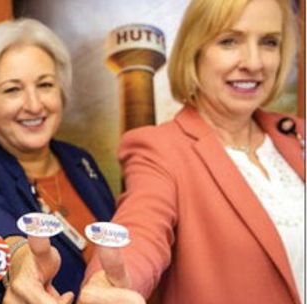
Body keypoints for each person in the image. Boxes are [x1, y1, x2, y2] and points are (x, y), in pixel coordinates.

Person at [79, 0, 304, 303]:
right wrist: (114, 282)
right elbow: (141, 228)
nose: (254, 62)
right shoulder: (159, 150)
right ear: (194, 50)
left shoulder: (296, 132)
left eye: (269, 42)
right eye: (229, 41)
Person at [0, 18, 116, 303]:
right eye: (12, 89)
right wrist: (20, 257)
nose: (33, 104)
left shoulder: (81, 162)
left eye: (45, 85)